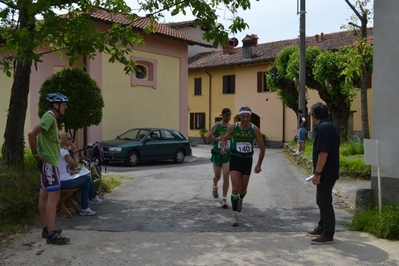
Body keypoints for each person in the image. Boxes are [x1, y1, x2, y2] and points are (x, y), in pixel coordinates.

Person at [28, 92, 70, 245]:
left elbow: (47, 139)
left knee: (44, 195)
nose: (66, 106)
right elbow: (31, 134)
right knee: (54, 197)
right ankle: (51, 233)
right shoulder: (49, 117)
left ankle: (47, 229)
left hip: (48, 162)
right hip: (49, 163)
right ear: (55, 105)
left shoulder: (51, 118)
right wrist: (36, 155)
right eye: (64, 104)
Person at [221, 106, 265, 226]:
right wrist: (224, 147)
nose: (245, 119)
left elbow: (262, 147)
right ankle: (235, 215)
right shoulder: (233, 127)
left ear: (250, 117)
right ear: (239, 116)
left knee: (243, 189)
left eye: (248, 116)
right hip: (235, 158)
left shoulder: (254, 129)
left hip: (247, 160)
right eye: (243, 116)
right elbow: (225, 138)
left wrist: (259, 164)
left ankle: (241, 198)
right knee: (235, 186)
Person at [306, 102, 340, 244]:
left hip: (325, 172)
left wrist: (317, 173)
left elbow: (323, 152)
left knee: (324, 202)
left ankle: (327, 233)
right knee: (322, 200)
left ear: (314, 115)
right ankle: (321, 227)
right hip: (331, 170)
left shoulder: (322, 128)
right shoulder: (331, 126)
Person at [58, 133, 102, 216]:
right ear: (64, 141)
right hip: (64, 182)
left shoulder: (62, 151)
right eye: (69, 139)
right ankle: (93, 198)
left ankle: (84, 208)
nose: (71, 140)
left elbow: (61, 168)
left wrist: (72, 172)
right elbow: (75, 165)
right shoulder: (64, 152)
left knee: (86, 185)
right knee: (87, 177)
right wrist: (74, 151)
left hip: (64, 180)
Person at [206, 108, 232, 208]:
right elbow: (208, 137)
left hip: (227, 154)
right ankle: (215, 185)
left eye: (229, 115)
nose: (228, 117)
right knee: (217, 176)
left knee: (226, 175)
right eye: (226, 115)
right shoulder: (216, 126)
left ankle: (224, 199)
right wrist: (217, 139)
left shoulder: (231, 127)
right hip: (217, 154)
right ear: (222, 115)